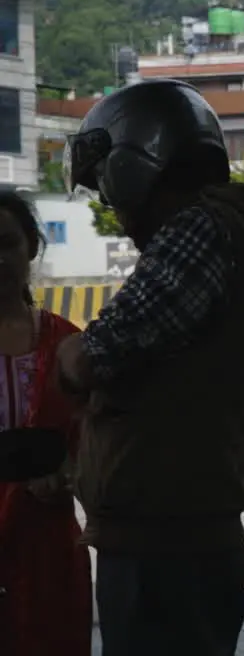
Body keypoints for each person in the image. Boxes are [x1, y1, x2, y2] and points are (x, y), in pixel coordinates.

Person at [54, 79, 244, 656]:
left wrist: (69, 357)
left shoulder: (200, 228)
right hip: (203, 534)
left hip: (159, 544)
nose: (113, 208)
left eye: (105, 187)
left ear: (133, 164)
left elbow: (98, 354)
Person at [0, 191, 92, 656]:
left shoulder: (67, 344)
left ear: (31, 247)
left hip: (49, 551)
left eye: (6, 244)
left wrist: (70, 475)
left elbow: (97, 442)